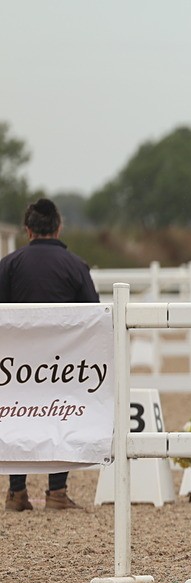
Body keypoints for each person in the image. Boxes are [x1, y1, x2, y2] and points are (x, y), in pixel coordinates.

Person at [0, 198, 98, 511]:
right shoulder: (76, 265)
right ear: (58, 228)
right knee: (62, 415)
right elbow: (94, 316)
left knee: (16, 416)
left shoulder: (9, 265)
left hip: (17, 364)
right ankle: (57, 491)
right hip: (62, 365)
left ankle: (17, 493)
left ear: (27, 230)